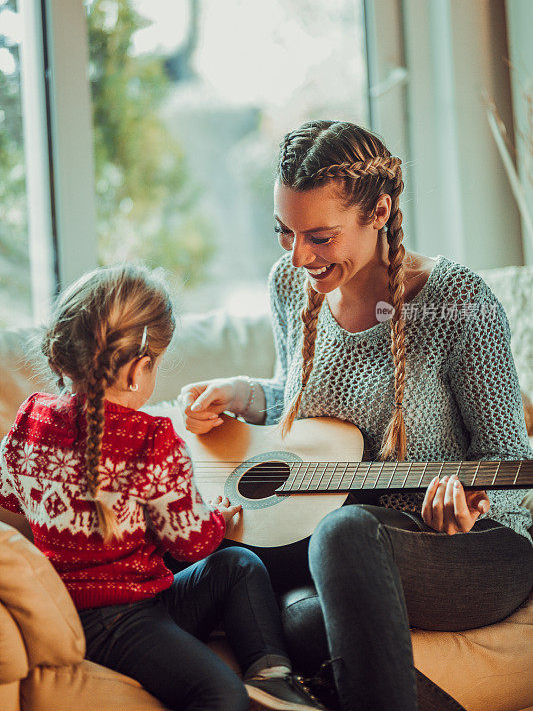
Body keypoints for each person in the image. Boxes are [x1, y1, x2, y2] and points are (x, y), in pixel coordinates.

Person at [180, 121, 533, 711]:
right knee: (290, 618)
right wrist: (243, 394)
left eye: (319, 236)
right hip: (336, 543)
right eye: (284, 233)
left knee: (341, 534)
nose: (298, 257)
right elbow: (312, 412)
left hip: (471, 548)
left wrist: (473, 508)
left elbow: (510, 454)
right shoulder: (290, 286)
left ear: (380, 211)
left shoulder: (457, 301)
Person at [0, 263, 327, 711]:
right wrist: (216, 517)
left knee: (238, 565)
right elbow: (193, 543)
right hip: (119, 621)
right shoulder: (151, 437)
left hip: (93, 604)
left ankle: (272, 676)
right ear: (138, 369)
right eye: (156, 364)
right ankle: (260, 681)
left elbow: (9, 494)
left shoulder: (32, 416)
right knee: (219, 693)